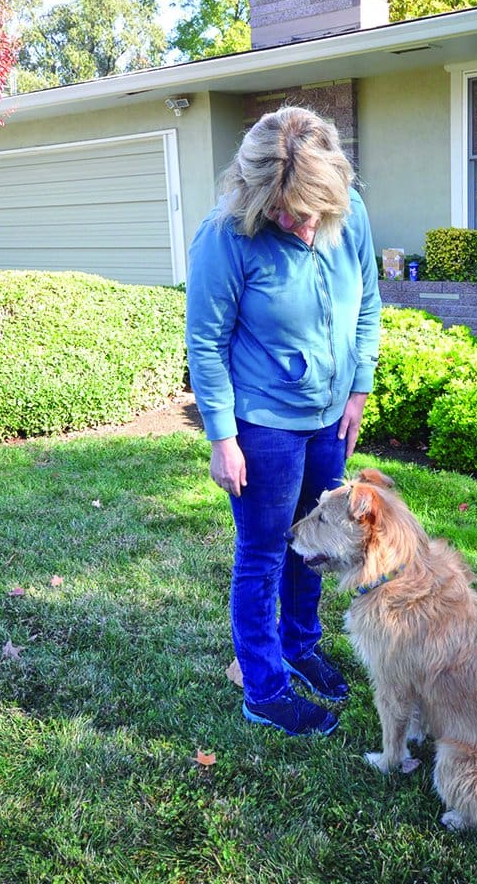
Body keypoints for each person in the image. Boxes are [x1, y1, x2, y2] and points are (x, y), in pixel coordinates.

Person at [185, 105, 381, 737]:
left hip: (331, 419)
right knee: (265, 552)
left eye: (310, 210)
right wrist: (222, 437)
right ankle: (264, 688)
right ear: (256, 193)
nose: (300, 224)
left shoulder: (346, 213)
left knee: (316, 542)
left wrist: (358, 388)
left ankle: (301, 646)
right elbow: (207, 343)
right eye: (286, 210)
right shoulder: (225, 237)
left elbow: (369, 303)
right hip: (263, 426)